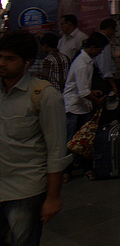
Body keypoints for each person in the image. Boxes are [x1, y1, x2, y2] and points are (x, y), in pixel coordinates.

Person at [0, 31, 70, 246]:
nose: (2, 63)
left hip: (25, 191)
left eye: (10, 59)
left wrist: (53, 197)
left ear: (28, 62)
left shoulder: (44, 96)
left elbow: (56, 150)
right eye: (0, 57)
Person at [62, 32, 109, 180]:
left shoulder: (87, 61)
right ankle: (66, 171)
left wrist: (92, 92)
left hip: (82, 106)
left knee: (85, 140)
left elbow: (83, 88)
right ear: (93, 47)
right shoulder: (82, 64)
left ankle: (86, 168)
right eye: (99, 50)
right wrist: (97, 101)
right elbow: (83, 92)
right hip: (74, 107)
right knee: (71, 141)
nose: (99, 53)